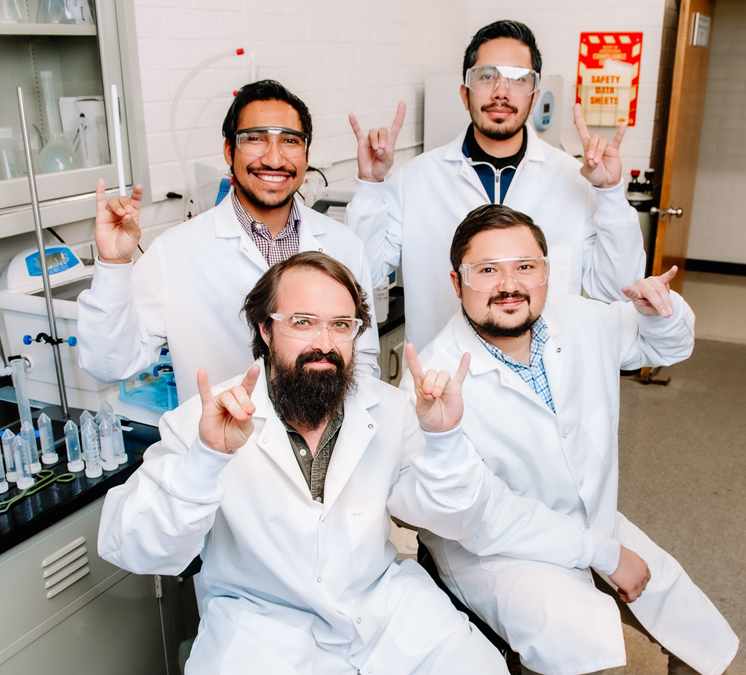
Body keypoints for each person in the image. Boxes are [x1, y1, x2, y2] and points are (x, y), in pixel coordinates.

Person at [98, 251, 649, 674]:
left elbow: (461, 513)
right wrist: (204, 462)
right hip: (260, 629)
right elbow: (137, 548)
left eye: (342, 325)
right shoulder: (204, 421)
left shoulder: (388, 410)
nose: (325, 342)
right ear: (265, 331)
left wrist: (444, 440)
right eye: (303, 322)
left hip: (386, 609)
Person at [408, 204, 738, 675]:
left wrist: (660, 312)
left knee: (699, 642)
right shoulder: (433, 381)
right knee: (584, 655)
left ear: (546, 273)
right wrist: (605, 554)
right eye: (487, 270)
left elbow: (670, 346)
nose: (509, 285)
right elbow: (480, 515)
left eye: (525, 267)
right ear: (457, 283)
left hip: (593, 516)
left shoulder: (582, 320)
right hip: (500, 551)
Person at [347, 19, 645, 352]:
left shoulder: (574, 179)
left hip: (543, 381)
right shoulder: (414, 180)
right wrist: (371, 186)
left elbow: (620, 289)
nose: (501, 91)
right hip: (441, 382)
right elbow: (361, 277)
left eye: (518, 79)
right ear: (465, 93)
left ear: (534, 97)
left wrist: (610, 195)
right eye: (487, 76)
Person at [77, 79, 379, 402]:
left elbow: (364, 365)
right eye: (255, 139)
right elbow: (110, 365)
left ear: (306, 155)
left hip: (325, 447)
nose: (274, 159)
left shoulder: (344, 245)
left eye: (290, 141)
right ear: (228, 150)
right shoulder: (174, 252)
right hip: (224, 450)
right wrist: (112, 264)